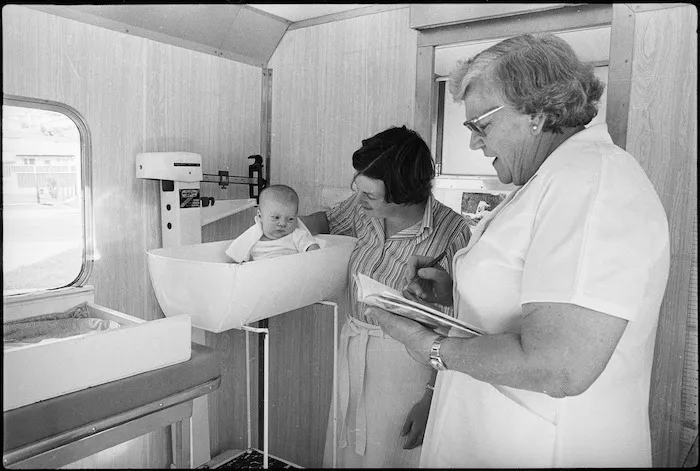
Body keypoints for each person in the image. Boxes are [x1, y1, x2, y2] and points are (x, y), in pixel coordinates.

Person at [365, 33, 670, 468]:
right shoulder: (551, 179)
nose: (473, 143)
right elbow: (530, 298)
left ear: (538, 111)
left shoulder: (594, 182)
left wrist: (430, 347)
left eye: (479, 125)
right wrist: (457, 295)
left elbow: (560, 364)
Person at [301, 125, 471, 468]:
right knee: (347, 452)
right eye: (357, 189)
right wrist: (282, 227)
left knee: (390, 455)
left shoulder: (453, 235)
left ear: (403, 192)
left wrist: (431, 399)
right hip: (354, 348)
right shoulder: (362, 210)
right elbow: (324, 221)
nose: (358, 199)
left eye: (369, 195)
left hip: (410, 364)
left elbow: (461, 326)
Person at [225, 184, 320, 262]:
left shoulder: (296, 235)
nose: (283, 223)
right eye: (276, 218)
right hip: (264, 277)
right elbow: (235, 257)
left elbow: (314, 250)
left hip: (291, 275)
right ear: (260, 216)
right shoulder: (252, 238)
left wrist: (312, 251)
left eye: (290, 219)